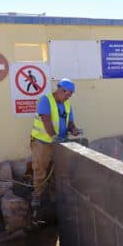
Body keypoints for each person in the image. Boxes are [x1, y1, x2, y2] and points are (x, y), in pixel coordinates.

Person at [29, 78, 81, 217]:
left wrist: (74, 129)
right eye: (67, 94)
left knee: (56, 172)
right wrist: (53, 136)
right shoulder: (45, 100)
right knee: (40, 170)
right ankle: (37, 198)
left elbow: (70, 122)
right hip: (43, 142)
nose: (68, 97)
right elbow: (46, 119)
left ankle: (54, 198)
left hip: (59, 143)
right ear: (59, 89)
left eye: (70, 95)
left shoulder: (67, 105)